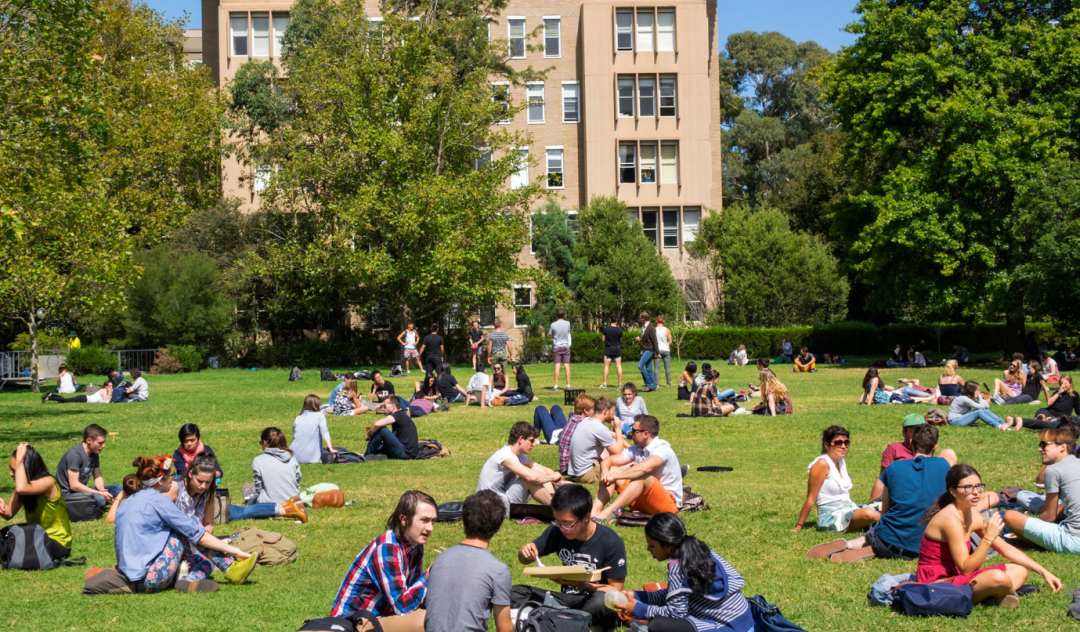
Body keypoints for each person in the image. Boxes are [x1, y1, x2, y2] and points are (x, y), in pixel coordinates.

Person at [83, 455, 257, 595]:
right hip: (151, 578)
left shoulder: (128, 502)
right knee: (190, 523)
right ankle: (229, 568)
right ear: (160, 481)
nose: (174, 481)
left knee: (203, 562)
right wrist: (236, 551)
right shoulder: (159, 501)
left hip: (130, 573)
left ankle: (187, 582)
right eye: (171, 476)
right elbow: (198, 534)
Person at [916, 464, 1061, 608]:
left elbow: (1005, 548)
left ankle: (995, 594)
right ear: (953, 491)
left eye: (978, 486)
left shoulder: (973, 516)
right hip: (936, 583)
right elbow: (966, 569)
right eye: (968, 487)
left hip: (958, 577)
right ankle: (998, 593)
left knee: (1020, 569)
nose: (976, 492)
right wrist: (988, 538)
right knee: (998, 577)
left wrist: (1044, 572)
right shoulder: (950, 520)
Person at [610, 513, 753, 632]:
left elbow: (675, 614)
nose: (648, 549)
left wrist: (639, 609)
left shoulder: (677, 568)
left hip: (726, 625)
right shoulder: (699, 550)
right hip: (744, 619)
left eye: (652, 545)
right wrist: (640, 596)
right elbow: (676, 594)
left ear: (668, 546)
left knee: (658, 626)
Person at [515, 484, 627, 631]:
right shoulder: (557, 531)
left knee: (601, 602)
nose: (562, 528)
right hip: (566, 600)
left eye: (567, 524)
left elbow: (616, 591)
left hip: (591, 599)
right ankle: (566, 619)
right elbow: (525, 559)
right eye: (557, 521)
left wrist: (584, 585)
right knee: (517, 592)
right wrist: (524, 552)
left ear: (586, 517)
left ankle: (559, 619)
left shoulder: (611, 542)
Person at [330, 489, 437, 630]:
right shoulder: (387, 548)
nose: (430, 528)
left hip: (380, 617)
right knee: (424, 620)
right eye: (424, 520)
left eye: (433, 521)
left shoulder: (415, 547)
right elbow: (403, 607)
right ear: (404, 520)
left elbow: (413, 594)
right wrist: (431, 573)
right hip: (353, 624)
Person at [425, 490, 513, 632]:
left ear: (463, 520)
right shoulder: (498, 570)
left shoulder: (441, 559)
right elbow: (505, 629)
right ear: (499, 526)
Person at [862, 424, 953, 561]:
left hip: (887, 543)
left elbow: (885, 511)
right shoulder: (944, 466)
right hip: (928, 545)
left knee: (874, 532)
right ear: (935, 447)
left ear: (911, 443)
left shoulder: (894, 468)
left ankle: (855, 544)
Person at [1002, 427, 1080, 554]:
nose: (1039, 449)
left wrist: (1026, 527)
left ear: (1062, 447)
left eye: (1044, 444)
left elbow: (1049, 516)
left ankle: (1033, 543)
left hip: (1074, 540)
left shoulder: (1054, 470)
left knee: (1010, 516)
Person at [593, 415, 683, 521]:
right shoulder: (637, 448)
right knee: (612, 470)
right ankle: (594, 513)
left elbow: (644, 469)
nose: (631, 433)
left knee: (643, 477)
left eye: (634, 430)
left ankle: (608, 513)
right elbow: (609, 460)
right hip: (642, 500)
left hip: (667, 506)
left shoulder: (662, 449)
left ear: (645, 434)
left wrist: (616, 477)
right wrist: (605, 471)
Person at [793, 426, 880, 534]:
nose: (843, 446)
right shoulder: (821, 464)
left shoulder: (840, 461)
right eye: (838, 443)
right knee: (868, 513)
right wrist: (799, 526)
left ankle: (879, 524)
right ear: (826, 444)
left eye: (846, 443)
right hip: (831, 516)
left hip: (850, 509)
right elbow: (811, 498)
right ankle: (893, 524)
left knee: (885, 504)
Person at [0, 444, 73, 564]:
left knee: (17, 544)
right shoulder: (23, 487)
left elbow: (21, 488)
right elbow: (9, 513)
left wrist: (20, 460)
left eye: (15, 470)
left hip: (57, 542)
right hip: (34, 537)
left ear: (26, 468)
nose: (11, 474)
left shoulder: (48, 482)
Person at [868, 414, 958, 503]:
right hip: (902, 491)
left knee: (948, 454)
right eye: (913, 431)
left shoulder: (929, 451)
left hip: (925, 489)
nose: (917, 434)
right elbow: (883, 479)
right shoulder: (894, 449)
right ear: (904, 433)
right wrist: (873, 502)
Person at [477, 422, 562, 512]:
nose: (533, 445)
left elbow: (539, 468)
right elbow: (532, 477)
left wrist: (561, 481)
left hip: (499, 499)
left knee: (537, 470)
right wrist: (552, 477)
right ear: (521, 439)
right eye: (532, 440)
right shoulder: (506, 456)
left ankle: (559, 505)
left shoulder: (516, 455)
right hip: (491, 506)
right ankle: (559, 510)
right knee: (529, 480)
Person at [56, 424, 122, 510]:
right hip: (68, 495)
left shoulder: (94, 453)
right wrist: (100, 494)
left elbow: (97, 477)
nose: (103, 446)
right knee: (100, 499)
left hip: (82, 491)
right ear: (89, 440)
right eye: (100, 443)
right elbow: (74, 485)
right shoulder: (74, 455)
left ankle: (98, 501)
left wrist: (102, 490)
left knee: (118, 489)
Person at [565, 397, 625, 484]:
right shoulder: (600, 428)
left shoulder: (586, 420)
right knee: (626, 466)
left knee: (612, 453)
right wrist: (618, 429)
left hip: (575, 472)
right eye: (612, 411)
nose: (613, 415)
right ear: (605, 411)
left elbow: (611, 439)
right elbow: (618, 452)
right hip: (586, 474)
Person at [249, 428, 304, 517]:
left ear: (265, 443)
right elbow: (297, 482)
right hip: (292, 504)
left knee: (253, 500)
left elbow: (259, 489)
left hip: (268, 505)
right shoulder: (292, 458)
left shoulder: (258, 460)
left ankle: (249, 496)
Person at [1008, 375, 1080, 430]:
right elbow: (1049, 403)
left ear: (1070, 384)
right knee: (1042, 415)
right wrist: (1059, 392)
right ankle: (1042, 419)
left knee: (1048, 422)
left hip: (1060, 417)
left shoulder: (1074, 394)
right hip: (1048, 412)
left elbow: (1078, 411)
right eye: (1061, 383)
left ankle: (1016, 421)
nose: (1063, 385)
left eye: (1065, 383)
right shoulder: (1057, 393)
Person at [366, 397, 420, 461]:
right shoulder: (402, 415)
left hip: (405, 453)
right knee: (381, 445)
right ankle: (370, 454)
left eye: (385, 406)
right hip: (408, 452)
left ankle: (366, 455)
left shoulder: (398, 415)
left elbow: (376, 424)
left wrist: (368, 434)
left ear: (393, 406)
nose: (383, 409)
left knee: (381, 429)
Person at [292, 394, 336, 464]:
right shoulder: (319, 415)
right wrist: (331, 448)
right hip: (311, 458)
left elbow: (295, 437)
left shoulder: (298, 418)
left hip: (294, 456)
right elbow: (325, 432)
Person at [548, 307, 572, 390]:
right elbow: (568, 332)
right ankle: (568, 384)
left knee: (557, 366)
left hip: (557, 346)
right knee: (567, 365)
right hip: (565, 346)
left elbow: (550, 335)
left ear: (556, 315)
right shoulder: (567, 323)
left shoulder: (553, 325)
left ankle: (556, 385)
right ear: (564, 315)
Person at [636, 312, 659, 392]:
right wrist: (640, 339)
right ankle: (654, 386)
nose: (639, 319)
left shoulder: (651, 327)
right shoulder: (644, 327)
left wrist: (657, 352)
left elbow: (654, 340)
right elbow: (647, 338)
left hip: (649, 350)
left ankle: (648, 385)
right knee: (649, 368)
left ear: (643, 318)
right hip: (646, 349)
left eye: (640, 318)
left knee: (640, 366)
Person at [599, 316, 624, 389]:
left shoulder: (606, 329)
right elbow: (621, 339)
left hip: (608, 349)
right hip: (617, 349)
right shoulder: (619, 330)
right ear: (616, 320)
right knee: (618, 366)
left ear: (610, 320)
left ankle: (605, 383)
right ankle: (619, 383)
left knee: (606, 366)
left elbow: (603, 339)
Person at [43, 381, 112, 404]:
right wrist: (110, 392)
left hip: (85, 398)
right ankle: (49, 397)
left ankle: (51, 395)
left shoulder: (103, 390)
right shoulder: (104, 390)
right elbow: (106, 400)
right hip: (85, 398)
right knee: (66, 400)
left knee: (66, 400)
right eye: (110, 386)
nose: (111, 387)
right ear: (106, 386)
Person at [654, 315, 673, 388]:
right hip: (666, 349)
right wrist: (666, 345)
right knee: (667, 367)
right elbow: (670, 341)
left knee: (656, 368)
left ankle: (657, 384)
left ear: (656, 320)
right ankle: (668, 383)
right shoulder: (667, 330)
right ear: (663, 321)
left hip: (657, 350)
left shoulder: (654, 330)